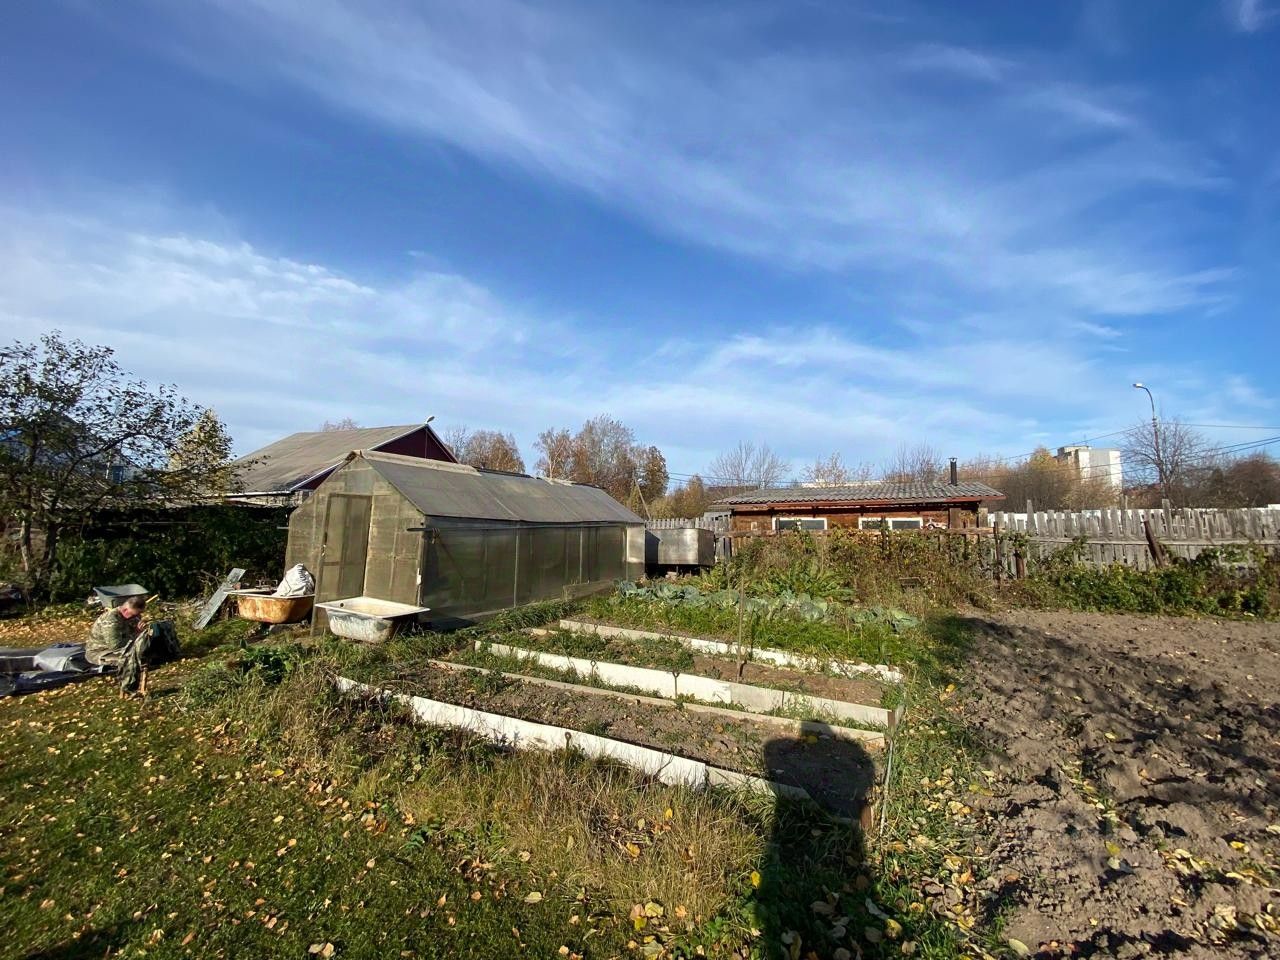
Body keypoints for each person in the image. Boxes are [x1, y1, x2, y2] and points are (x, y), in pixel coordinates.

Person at [86, 596, 179, 695]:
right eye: (135, 614)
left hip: (123, 646)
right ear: (125, 610)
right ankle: (129, 688)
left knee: (145, 652)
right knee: (130, 658)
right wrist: (137, 634)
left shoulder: (133, 616)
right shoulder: (111, 620)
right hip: (100, 652)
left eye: (139, 614)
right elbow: (116, 646)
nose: (137, 617)